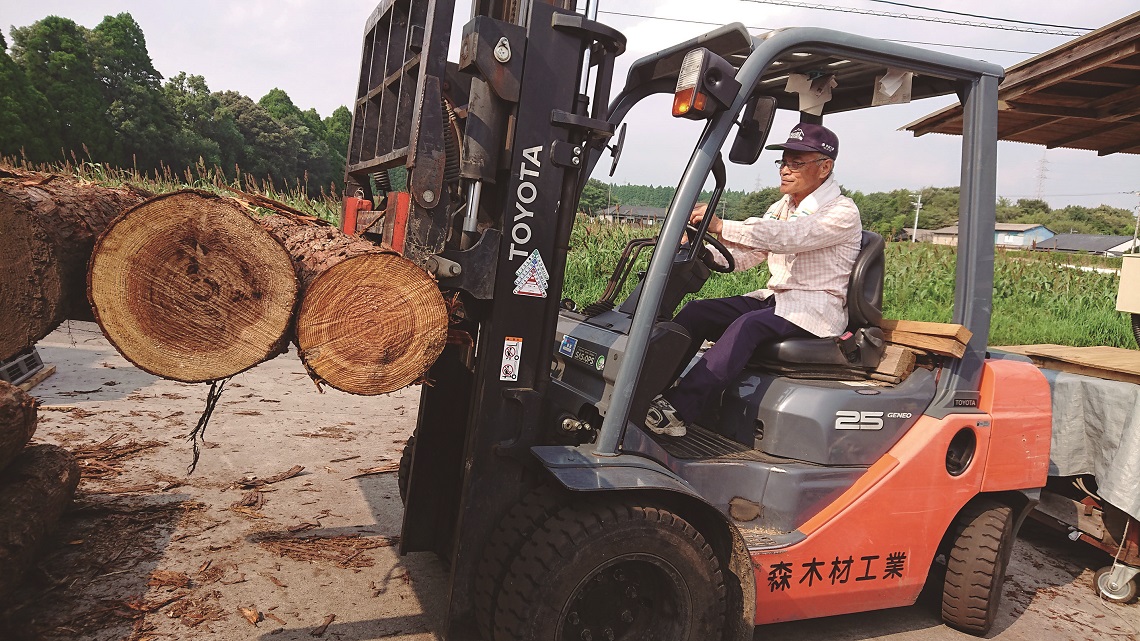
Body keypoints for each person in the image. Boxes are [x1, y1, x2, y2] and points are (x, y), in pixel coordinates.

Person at [645, 123, 862, 437]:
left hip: (815, 308)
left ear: (825, 167)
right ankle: (647, 390)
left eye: (796, 163)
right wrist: (700, 251)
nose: (785, 170)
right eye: (783, 162)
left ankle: (678, 411)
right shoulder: (781, 208)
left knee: (748, 325)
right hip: (780, 301)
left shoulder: (840, 212)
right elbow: (746, 255)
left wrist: (721, 225)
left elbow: (788, 238)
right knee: (697, 313)